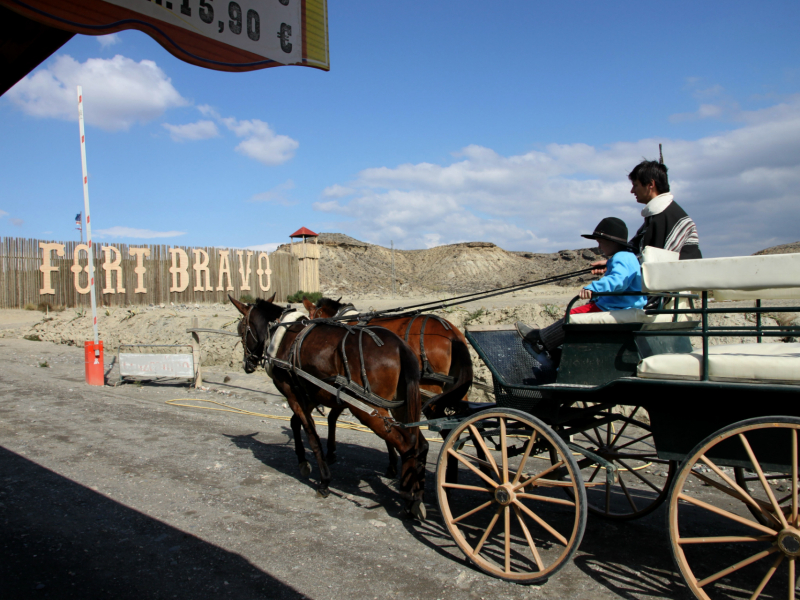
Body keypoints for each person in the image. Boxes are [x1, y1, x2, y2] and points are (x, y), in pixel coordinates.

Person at [516, 217, 646, 355]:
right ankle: (558, 347)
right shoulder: (628, 257)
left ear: (612, 242)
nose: (599, 247)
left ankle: (542, 342)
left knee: (572, 316)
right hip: (624, 304)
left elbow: (618, 281)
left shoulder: (621, 257)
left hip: (615, 306)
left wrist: (593, 288)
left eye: (601, 242)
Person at [591, 160, 701, 275]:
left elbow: (659, 263)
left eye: (635, 185)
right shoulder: (658, 214)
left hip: (678, 286)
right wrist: (612, 263)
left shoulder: (670, 216)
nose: (632, 191)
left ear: (650, 185)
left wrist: (615, 264)